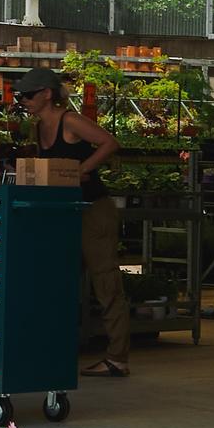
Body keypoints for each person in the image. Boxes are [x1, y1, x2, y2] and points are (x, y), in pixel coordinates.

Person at [17, 68, 130, 376]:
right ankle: (56, 347)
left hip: (93, 209)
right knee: (57, 282)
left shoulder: (70, 121)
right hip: (64, 212)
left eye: (28, 94)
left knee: (105, 282)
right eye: (21, 95)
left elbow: (109, 142)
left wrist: (83, 169)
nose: (23, 100)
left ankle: (118, 357)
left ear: (47, 94)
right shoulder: (38, 128)